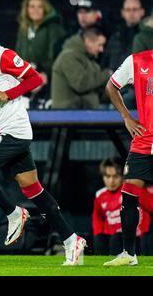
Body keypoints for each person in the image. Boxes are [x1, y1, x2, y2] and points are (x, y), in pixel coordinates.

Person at [0, 12, 86, 265]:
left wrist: (9, 92)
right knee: (33, 189)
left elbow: (35, 78)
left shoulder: (2, 55)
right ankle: (72, 240)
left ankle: (14, 213)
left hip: (15, 130)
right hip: (3, 131)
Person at [103, 49, 153, 266]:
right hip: (144, 140)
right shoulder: (138, 60)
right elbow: (111, 86)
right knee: (129, 193)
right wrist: (127, 117)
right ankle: (129, 254)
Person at [15, 0, 66, 108]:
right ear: (26, 9)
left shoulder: (53, 28)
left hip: (48, 76)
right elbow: (18, 55)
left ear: (45, 9)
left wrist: (44, 73)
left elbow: (56, 57)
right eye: (32, 6)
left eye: (40, 7)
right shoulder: (23, 29)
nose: (36, 10)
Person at [92, 157, 150, 255]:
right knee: (99, 239)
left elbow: (149, 207)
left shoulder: (131, 190)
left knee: (116, 239)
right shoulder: (100, 195)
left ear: (123, 176)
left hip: (133, 238)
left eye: (115, 176)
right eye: (108, 176)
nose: (111, 181)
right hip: (111, 237)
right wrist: (98, 233)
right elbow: (97, 218)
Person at [51, 26, 112, 109]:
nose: (101, 49)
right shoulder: (69, 56)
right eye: (99, 45)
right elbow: (81, 84)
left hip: (84, 113)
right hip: (69, 115)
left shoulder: (89, 59)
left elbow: (94, 88)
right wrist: (106, 75)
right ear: (88, 41)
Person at [102, 0, 145, 71]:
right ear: (122, 13)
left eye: (135, 9)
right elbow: (105, 61)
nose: (131, 13)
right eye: (128, 10)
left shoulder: (147, 36)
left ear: (142, 12)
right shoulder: (115, 36)